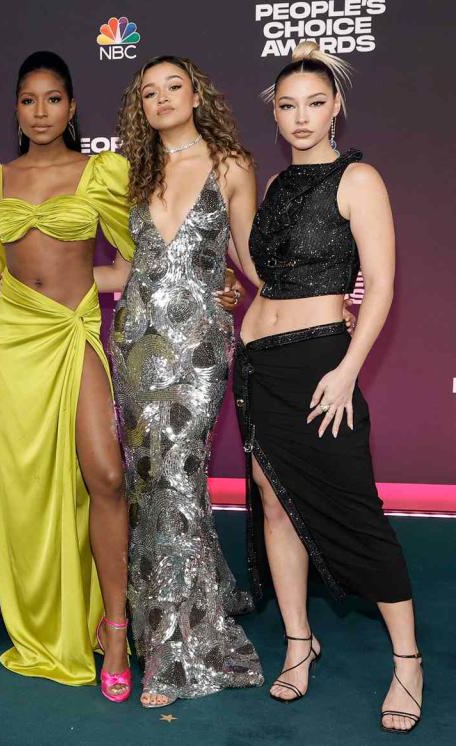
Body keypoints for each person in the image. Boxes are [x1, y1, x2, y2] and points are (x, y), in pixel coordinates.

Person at [236, 41, 421, 734]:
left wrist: (347, 369)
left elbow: (382, 286)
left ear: (337, 105)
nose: (301, 117)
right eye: (288, 106)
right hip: (258, 365)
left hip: (321, 364)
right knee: (276, 507)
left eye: (315, 103)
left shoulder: (359, 178)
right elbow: (265, 274)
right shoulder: (277, 185)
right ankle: (297, 641)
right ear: (275, 115)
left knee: (356, 511)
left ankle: (408, 661)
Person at [94, 55, 264, 708]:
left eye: (173, 87)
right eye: (148, 92)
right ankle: (173, 612)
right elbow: (124, 269)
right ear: (139, 107)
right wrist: (48, 281)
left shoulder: (230, 164)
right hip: (134, 342)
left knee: (176, 481)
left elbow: (248, 260)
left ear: (197, 94)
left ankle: (177, 652)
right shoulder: (135, 174)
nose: (161, 98)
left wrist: (302, 297)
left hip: (196, 348)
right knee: (148, 484)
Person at [0, 51, 134, 701]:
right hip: (15, 343)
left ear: (72, 107)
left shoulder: (102, 170)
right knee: (32, 488)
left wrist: (74, 297)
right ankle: (47, 621)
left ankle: (116, 626)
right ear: (16, 108)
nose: (41, 111)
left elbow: (132, 262)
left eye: (53, 99)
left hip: (74, 333)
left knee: (107, 473)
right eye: (28, 99)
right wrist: (32, 300)